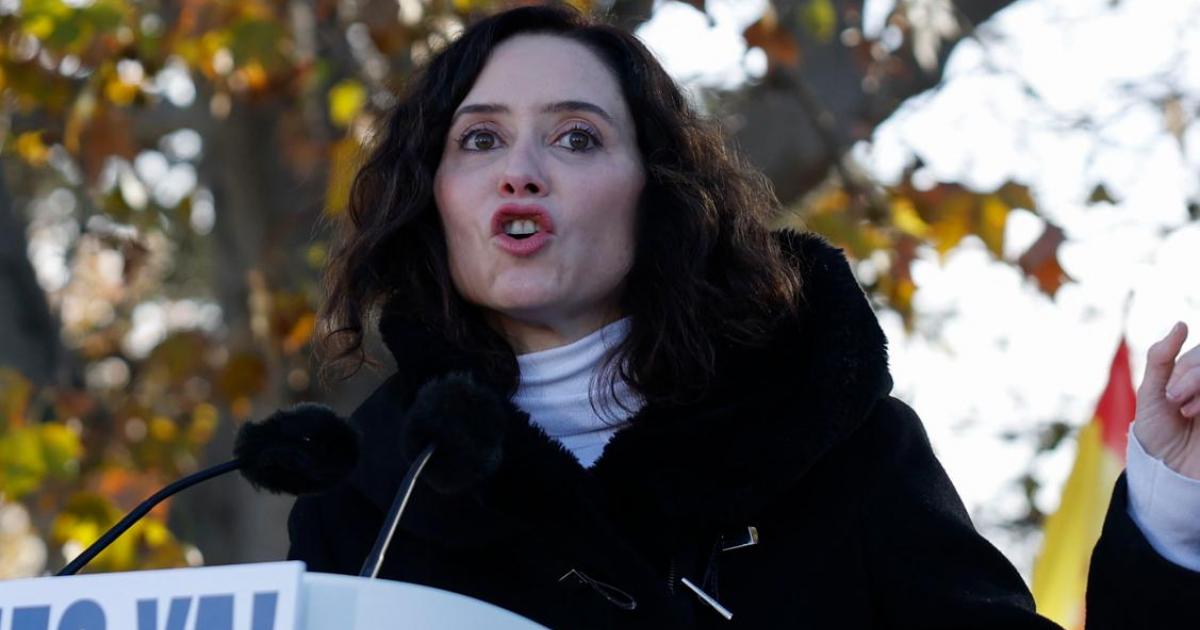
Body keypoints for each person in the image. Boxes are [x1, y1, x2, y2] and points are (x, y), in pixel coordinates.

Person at [287, 6, 1200, 628]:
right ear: (435, 197)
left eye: (576, 136)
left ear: (660, 196)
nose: (520, 171)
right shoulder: (363, 504)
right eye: (479, 139)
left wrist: (1171, 503)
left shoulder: (838, 447)